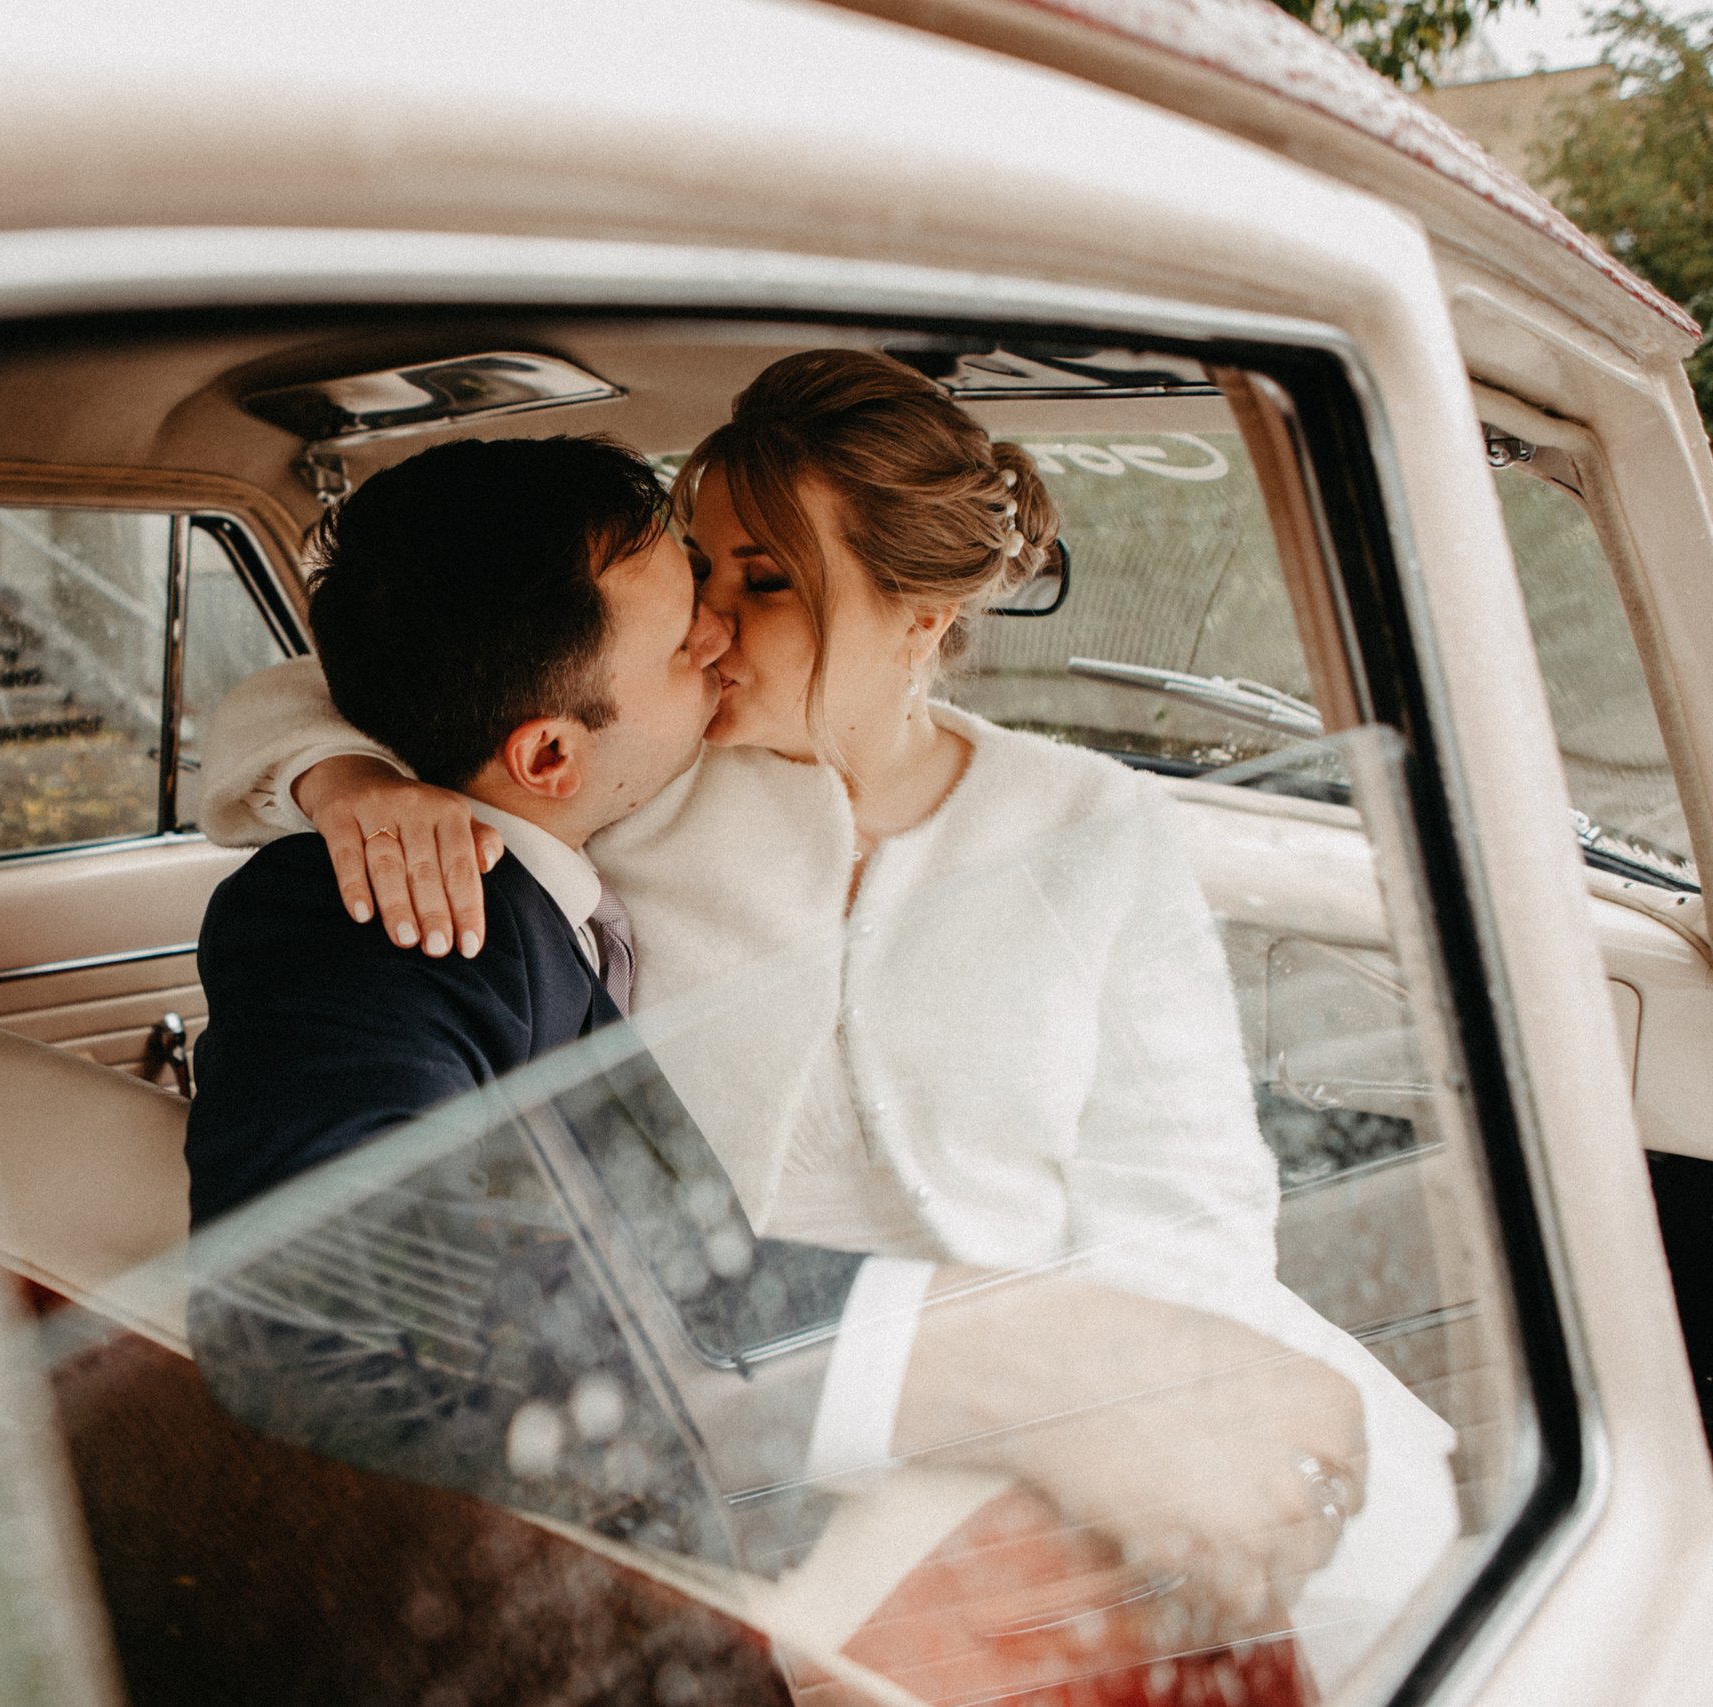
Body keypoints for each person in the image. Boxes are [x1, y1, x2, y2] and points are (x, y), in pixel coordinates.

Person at [196, 350, 1460, 1688]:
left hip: (1069, 1348)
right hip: (742, 1384)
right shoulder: (648, 780)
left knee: (1423, 1599)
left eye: (765, 582)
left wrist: (1127, 1402)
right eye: (701, 568)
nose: (718, 625)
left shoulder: (1091, 824)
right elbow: (382, 682)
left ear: (922, 614)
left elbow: (1185, 1195)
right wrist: (341, 780)